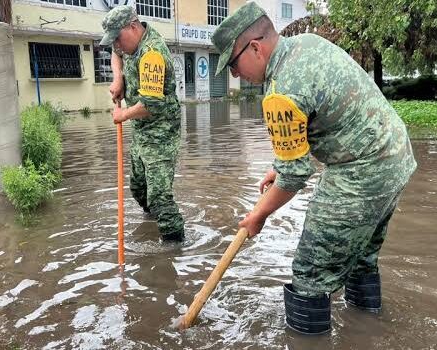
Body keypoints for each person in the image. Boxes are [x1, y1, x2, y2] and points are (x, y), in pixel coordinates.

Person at [212, 2, 417, 335]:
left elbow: (296, 175)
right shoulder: (306, 44)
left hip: (360, 172)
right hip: (395, 159)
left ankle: (308, 341)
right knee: (360, 258)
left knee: (309, 275)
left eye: (233, 65)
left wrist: (258, 216)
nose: (235, 76)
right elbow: (314, 123)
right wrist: (279, 168)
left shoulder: (280, 90)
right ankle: (368, 328)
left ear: (255, 48)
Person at [100, 5, 185, 241]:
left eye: (118, 38)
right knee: (139, 189)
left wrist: (122, 115)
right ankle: (153, 220)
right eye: (113, 40)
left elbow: (151, 105)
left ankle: (174, 248)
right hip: (141, 131)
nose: (116, 45)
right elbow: (117, 54)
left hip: (161, 133)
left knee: (159, 198)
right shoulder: (127, 44)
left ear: (133, 26)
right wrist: (119, 79)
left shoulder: (152, 54)